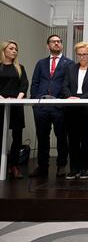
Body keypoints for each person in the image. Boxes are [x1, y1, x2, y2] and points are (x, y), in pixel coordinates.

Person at [30, 35, 74, 178]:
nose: (56, 43)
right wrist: (35, 101)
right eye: (53, 42)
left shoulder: (69, 63)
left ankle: (62, 165)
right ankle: (42, 166)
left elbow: (69, 84)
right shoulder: (41, 63)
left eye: (59, 42)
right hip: (41, 106)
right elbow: (35, 82)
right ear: (47, 46)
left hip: (59, 106)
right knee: (42, 137)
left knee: (61, 137)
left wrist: (63, 100)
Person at [62, 42, 88, 180]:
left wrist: (80, 98)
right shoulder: (70, 68)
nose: (82, 57)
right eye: (79, 54)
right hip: (72, 108)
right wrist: (70, 96)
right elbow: (65, 86)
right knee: (73, 139)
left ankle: (84, 168)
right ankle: (74, 169)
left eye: (84, 54)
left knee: (85, 139)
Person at [0, 40, 28, 179]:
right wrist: (2, 99)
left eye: (16, 49)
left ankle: (14, 165)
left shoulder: (20, 67)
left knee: (17, 136)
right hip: (0, 104)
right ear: (4, 50)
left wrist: (17, 98)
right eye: (11, 48)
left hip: (16, 105)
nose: (14, 51)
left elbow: (24, 85)